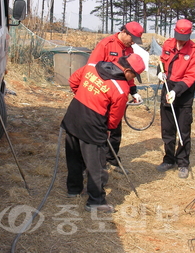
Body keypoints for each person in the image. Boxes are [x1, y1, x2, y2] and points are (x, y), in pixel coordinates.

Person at [61, 54, 145, 213]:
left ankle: (74, 189)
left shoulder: (92, 66)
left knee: (74, 156)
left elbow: (73, 81)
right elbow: (114, 118)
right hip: (92, 124)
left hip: (73, 114)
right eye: (133, 75)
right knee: (97, 164)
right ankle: (96, 201)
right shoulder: (121, 88)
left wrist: (85, 98)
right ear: (127, 70)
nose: (132, 79)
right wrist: (108, 130)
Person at [87, 21, 144, 172]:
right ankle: (94, 162)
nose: (133, 42)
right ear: (124, 32)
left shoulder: (129, 49)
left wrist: (134, 91)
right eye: (132, 38)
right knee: (99, 129)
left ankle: (112, 158)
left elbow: (130, 73)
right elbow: (91, 68)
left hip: (118, 97)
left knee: (115, 128)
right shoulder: (106, 44)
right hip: (102, 96)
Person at [156, 19, 195, 178]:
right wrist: (160, 72)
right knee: (168, 128)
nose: (180, 40)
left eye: (184, 37)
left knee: (183, 129)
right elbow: (162, 62)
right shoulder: (168, 44)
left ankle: (183, 162)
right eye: (178, 36)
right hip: (168, 86)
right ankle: (169, 159)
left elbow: (190, 77)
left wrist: (177, 91)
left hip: (184, 91)